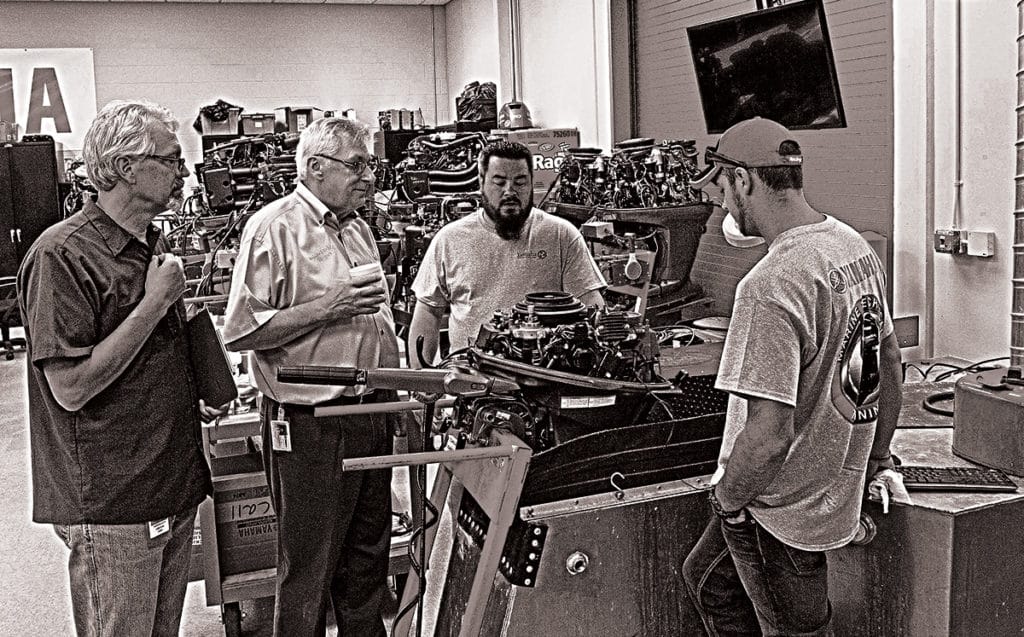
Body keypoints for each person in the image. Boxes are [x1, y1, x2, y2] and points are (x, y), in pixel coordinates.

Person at [680, 117, 903, 636]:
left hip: (779, 509)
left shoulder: (771, 283)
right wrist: (876, 456)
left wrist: (726, 498)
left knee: (798, 628)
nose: (721, 206)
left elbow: (768, 437)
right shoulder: (850, 247)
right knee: (707, 579)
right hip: (828, 487)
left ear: (744, 180)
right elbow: (887, 362)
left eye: (721, 188)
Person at [17, 99, 221, 636]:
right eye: (172, 160)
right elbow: (71, 387)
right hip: (113, 503)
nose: (183, 172)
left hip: (170, 482)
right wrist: (155, 303)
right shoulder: (60, 256)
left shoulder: (150, 244)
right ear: (127, 167)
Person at [222, 116, 399, 636]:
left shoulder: (359, 228)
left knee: (368, 563)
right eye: (356, 165)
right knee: (309, 569)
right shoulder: (274, 228)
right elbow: (241, 332)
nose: (368, 177)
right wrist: (328, 307)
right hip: (312, 422)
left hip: (373, 408)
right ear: (316, 167)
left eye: (370, 164)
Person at [408, 140, 606, 367]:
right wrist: (422, 382)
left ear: (532, 183)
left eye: (520, 182)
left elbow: (592, 307)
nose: (510, 191)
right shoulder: (450, 239)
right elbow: (428, 312)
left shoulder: (561, 236)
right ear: (481, 182)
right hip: (472, 382)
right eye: (499, 182)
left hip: (544, 380)